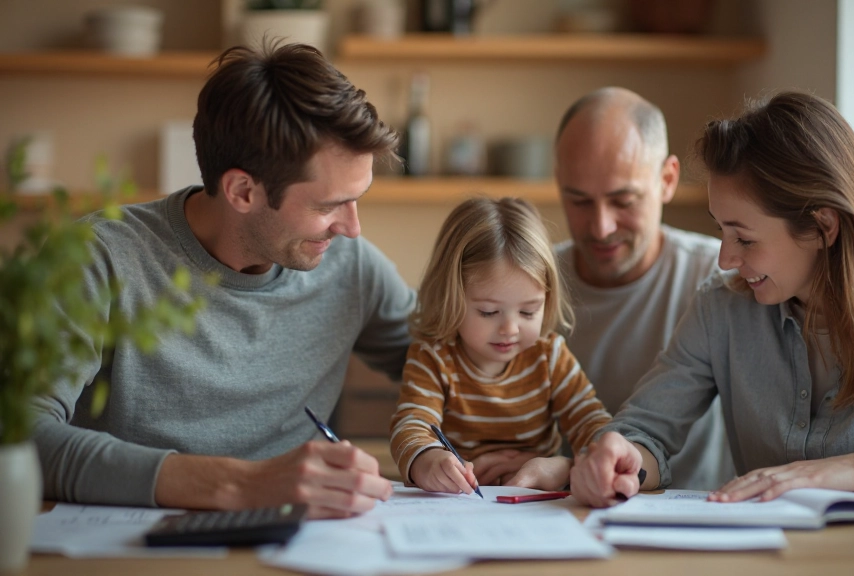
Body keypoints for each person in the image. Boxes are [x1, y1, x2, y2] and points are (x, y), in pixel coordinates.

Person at [570, 91, 854, 507]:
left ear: (823, 226)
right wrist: (622, 455)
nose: (726, 259)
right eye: (720, 232)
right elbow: (646, 430)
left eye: (744, 239)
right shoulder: (721, 308)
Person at [31, 43, 416, 518]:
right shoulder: (99, 257)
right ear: (242, 191)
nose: (352, 228)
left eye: (358, 199)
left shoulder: (352, 267)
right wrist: (244, 484)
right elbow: (19, 436)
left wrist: (533, 455)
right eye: (327, 205)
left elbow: (465, 365)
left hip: (303, 548)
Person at [552, 87, 734, 491]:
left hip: (693, 524)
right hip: (555, 511)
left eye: (623, 200)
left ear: (667, 179)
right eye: (579, 201)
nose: (601, 227)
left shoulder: (722, 278)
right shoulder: (531, 284)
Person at [390, 197, 612, 494]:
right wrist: (428, 460)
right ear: (450, 297)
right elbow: (413, 424)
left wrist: (567, 466)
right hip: (463, 504)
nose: (510, 329)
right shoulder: (433, 357)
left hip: (540, 503)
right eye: (489, 312)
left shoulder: (549, 355)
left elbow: (592, 424)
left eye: (528, 312)